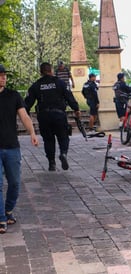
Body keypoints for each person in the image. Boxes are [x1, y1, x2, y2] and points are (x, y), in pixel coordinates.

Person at [0, 64, 39, 234]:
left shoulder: (13, 95)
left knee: (15, 183)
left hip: (12, 146)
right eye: (0, 75)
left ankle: (8, 210)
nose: (3, 78)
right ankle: (1, 218)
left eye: (4, 75)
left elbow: (24, 115)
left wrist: (32, 132)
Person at [25, 62, 81, 171]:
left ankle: (51, 163)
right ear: (51, 70)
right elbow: (69, 96)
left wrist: (25, 114)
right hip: (59, 115)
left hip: (44, 116)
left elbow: (27, 103)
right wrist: (76, 109)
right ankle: (63, 153)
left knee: (48, 140)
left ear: (40, 72)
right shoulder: (59, 83)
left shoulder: (36, 85)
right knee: (63, 136)